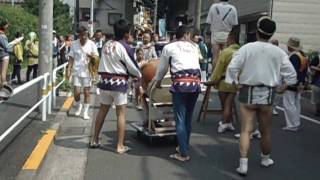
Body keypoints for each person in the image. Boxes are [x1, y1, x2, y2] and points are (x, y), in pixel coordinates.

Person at [225, 16, 297, 175]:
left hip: (247, 90)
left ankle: (243, 165)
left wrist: (234, 82)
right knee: (266, 130)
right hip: (268, 92)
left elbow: (232, 68)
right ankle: (265, 159)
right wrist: (283, 87)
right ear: (271, 34)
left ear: (257, 31)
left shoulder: (246, 48)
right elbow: (292, 75)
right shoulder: (278, 52)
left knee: (245, 130)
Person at [90, 19, 141, 154]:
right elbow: (133, 67)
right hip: (118, 84)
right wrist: (139, 75)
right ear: (126, 34)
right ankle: (119, 146)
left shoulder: (107, 44)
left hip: (105, 82)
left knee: (102, 111)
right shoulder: (125, 47)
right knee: (121, 114)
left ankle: (95, 140)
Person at [155, 25, 201, 162]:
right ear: (186, 34)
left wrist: (158, 82)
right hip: (195, 84)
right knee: (188, 117)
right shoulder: (194, 47)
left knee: (179, 119)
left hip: (180, 85)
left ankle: (184, 153)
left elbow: (163, 68)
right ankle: (183, 146)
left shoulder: (169, 47)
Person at [206, 30, 239, 133]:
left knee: (225, 104)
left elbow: (219, 68)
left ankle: (224, 123)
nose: (226, 42)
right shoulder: (241, 51)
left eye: (228, 40)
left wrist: (213, 80)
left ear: (231, 39)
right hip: (235, 81)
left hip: (224, 81)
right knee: (229, 103)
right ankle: (228, 122)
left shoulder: (226, 52)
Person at [66, 26, 99, 120]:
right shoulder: (74, 44)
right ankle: (79, 105)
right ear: (79, 35)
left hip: (87, 71)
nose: (84, 37)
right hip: (76, 71)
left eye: (85, 35)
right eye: (82, 35)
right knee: (76, 92)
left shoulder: (92, 44)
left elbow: (97, 57)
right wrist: (68, 69)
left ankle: (85, 112)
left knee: (86, 92)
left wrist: (91, 56)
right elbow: (71, 58)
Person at [282, 37, 308, 131]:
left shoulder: (294, 56)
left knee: (289, 104)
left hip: (292, 83)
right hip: (300, 82)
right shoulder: (303, 55)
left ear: (291, 47)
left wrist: (287, 83)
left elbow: (292, 71)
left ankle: (292, 124)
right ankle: (296, 122)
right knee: (296, 103)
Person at [206, 0, 238, 67]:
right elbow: (235, 24)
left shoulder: (213, 7)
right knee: (226, 57)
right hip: (227, 36)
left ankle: (215, 75)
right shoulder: (233, 8)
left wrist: (208, 36)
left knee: (215, 58)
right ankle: (224, 75)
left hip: (215, 34)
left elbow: (209, 22)